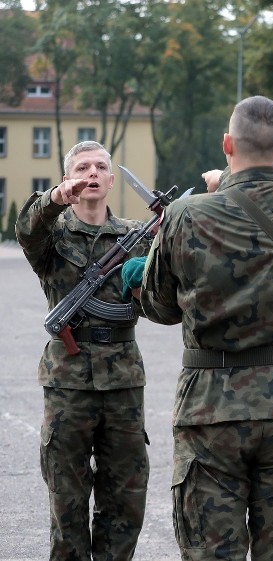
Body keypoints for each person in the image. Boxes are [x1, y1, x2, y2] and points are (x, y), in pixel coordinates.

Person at [138, 96, 273, 560]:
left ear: (227, 144)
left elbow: (159, 306)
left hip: (210, 407)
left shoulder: (186, 216)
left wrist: (217, 188)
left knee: (211, 550)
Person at [15, 140, 151, 560]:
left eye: (99, 167)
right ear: (67, 178)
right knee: (67, 499)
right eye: (81, 168)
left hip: (123, 382)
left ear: (111, 180)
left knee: (126, 496)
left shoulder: (137, 237)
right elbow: (27, 227)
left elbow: (163, 294)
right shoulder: (51, 238)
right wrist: (55, 200)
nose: (91, 174)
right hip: (68, 384)